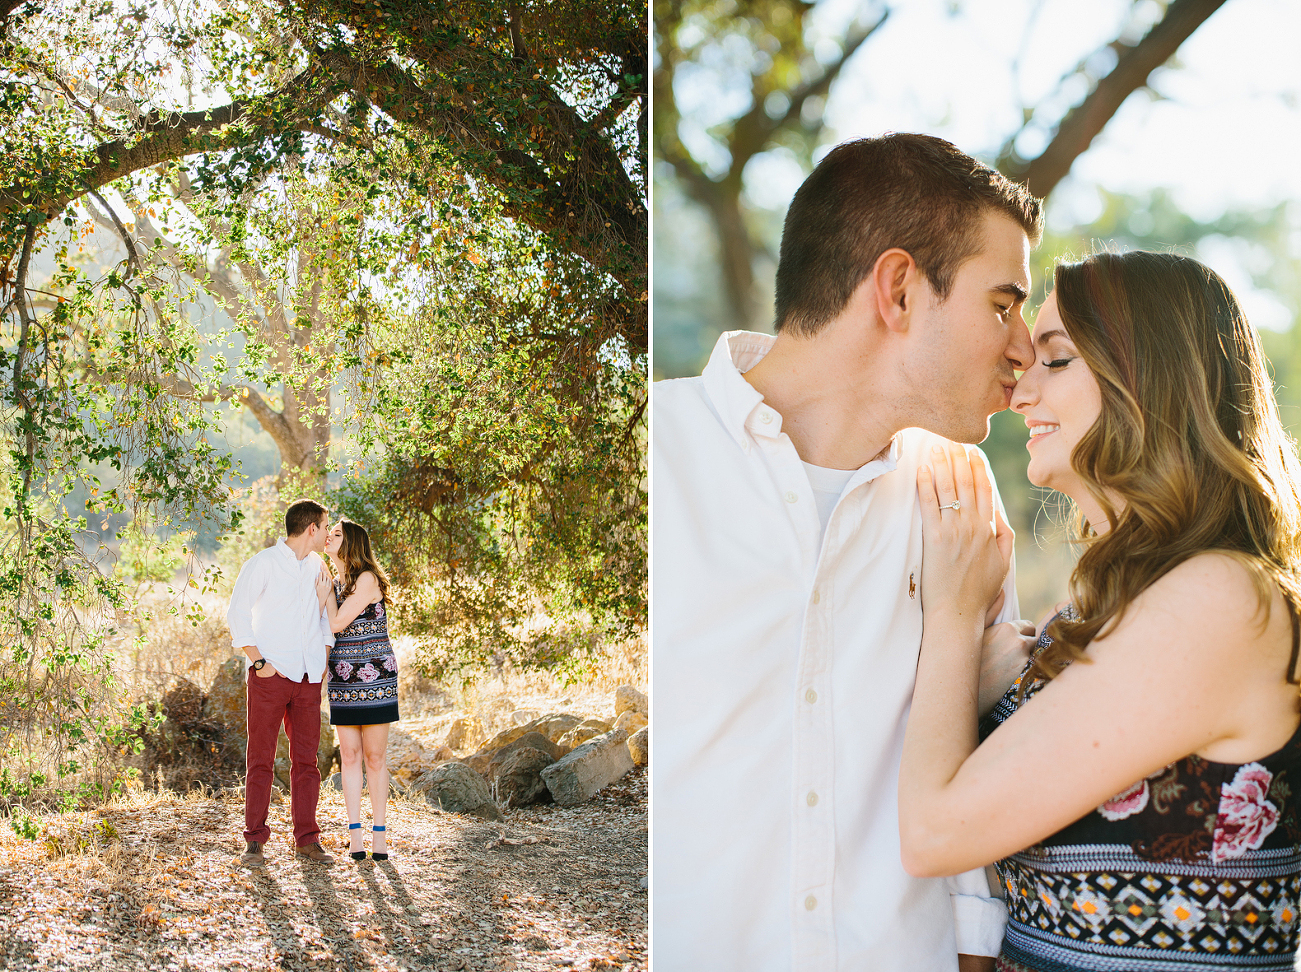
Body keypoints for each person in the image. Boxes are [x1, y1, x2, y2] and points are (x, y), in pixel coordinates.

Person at [653, 132, 1045, 971]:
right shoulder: (654, 455)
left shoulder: (960, 490)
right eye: (1003, 305)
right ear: (899, 290)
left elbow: (975, 755)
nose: (1023, 350)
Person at [900, 249, 1301, 972]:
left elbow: (934, 834)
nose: (1020, 391)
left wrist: (954, 623)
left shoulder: (1219, 599)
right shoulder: (1112, 601)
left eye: (1054, 361)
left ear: (1147, 381)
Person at [227, 497, 337, 866]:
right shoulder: (262, 564)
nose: (327, 532)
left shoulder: (319, 566)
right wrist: (259, 662)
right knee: (260, 758)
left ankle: (306, 839)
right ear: (311, 528)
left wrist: (320, 662)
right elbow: (237, 613)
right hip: (270, 676)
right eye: (325, 526)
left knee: (307, 761)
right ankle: (254, 840)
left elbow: (322, 619)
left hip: (308, 678)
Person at [320, 518, 399, 862]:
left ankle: (379, 835)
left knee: (375, 758)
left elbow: (337, 623)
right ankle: (355, 836)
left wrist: (325, 595)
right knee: (349, 757)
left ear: (351, 542)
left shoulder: (366, 579)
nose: (328, 537)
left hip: (375, 678)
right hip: (342, 677)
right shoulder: (335, 581)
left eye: (336, 534)